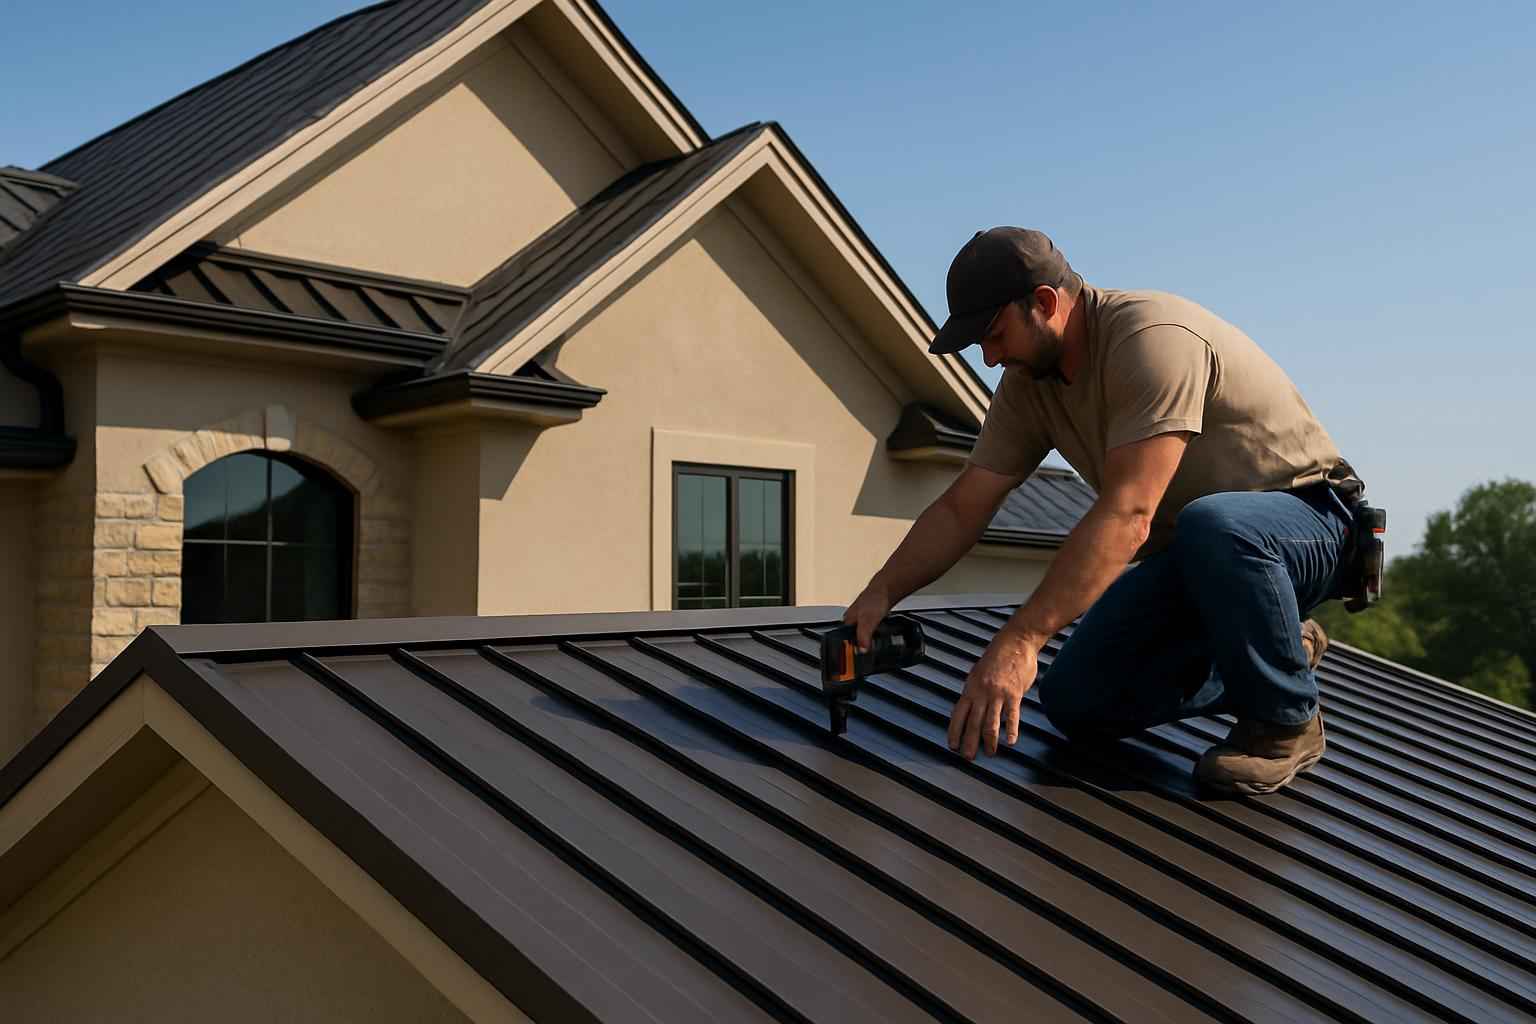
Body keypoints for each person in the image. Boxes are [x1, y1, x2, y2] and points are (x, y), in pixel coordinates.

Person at [843, 227, 1365, 794]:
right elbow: (962, 509)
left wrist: (1021, 641)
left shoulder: (1151, 340)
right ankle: (1284, 647)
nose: (990, 358)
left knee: (1213, 525)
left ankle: (1286, 722)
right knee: (1076, 700)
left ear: (1044, 303)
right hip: (1200, 556)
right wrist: (880, 592)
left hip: (1307, 525)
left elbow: (1129, 514)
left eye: (995, 335)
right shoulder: (1029, 384)